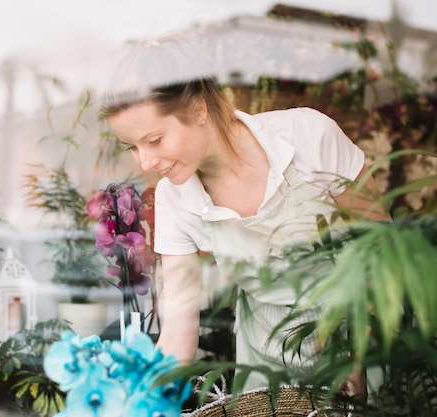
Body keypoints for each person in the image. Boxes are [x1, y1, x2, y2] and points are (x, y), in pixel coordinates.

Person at [98, 34, 389, 392]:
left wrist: (362, 350)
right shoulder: (174, 200)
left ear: (199, 109)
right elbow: (177, 334)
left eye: (155, 140)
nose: (146, 162)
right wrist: (138, 399)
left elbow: (384, 249)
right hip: (264, 360)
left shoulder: (309, 137)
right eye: (133, 147)